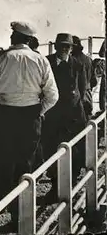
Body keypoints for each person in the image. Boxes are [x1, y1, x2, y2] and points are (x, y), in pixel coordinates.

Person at [0, 21, 59, 229]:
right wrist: (39, 112)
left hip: (5, 116)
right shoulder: (41, 60)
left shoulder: (1, 58)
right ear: (29, 40)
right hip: (30, 117)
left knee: (2, 166)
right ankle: (20, 218)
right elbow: (52, 96)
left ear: (15, 38)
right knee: (25, 166)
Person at [42, 33, 87, 199]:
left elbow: (82, 89)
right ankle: (54, 186)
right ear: (55, 46)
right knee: (51, 149)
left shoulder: (78, 64)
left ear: (71, 48)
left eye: (67, 46)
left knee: (74, 149)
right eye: (61, 46)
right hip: (53, 114)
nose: (64, 49)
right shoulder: (46, 62)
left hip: (73, 115)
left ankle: (72, 183)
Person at [72, 36, 97, 118]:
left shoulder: (72, 61)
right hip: (88, 94)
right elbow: (94, 81)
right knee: (87, 118)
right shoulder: (89, 60)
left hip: (77, 96)